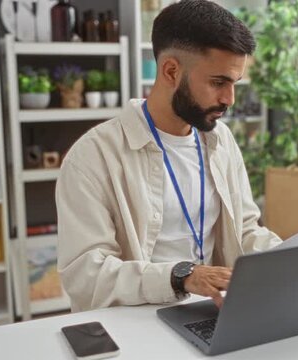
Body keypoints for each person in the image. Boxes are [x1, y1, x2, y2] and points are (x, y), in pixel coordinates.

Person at [56, 0, 281, 312]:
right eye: (218, 82)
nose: (229, 99)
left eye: (234, 84)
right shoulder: (92, 156)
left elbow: (244, 231)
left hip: (213, 310)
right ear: (171, 71)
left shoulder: (221, 141)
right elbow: (86, 276)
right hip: (135, 322)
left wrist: (291, 257)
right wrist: (180, 277)